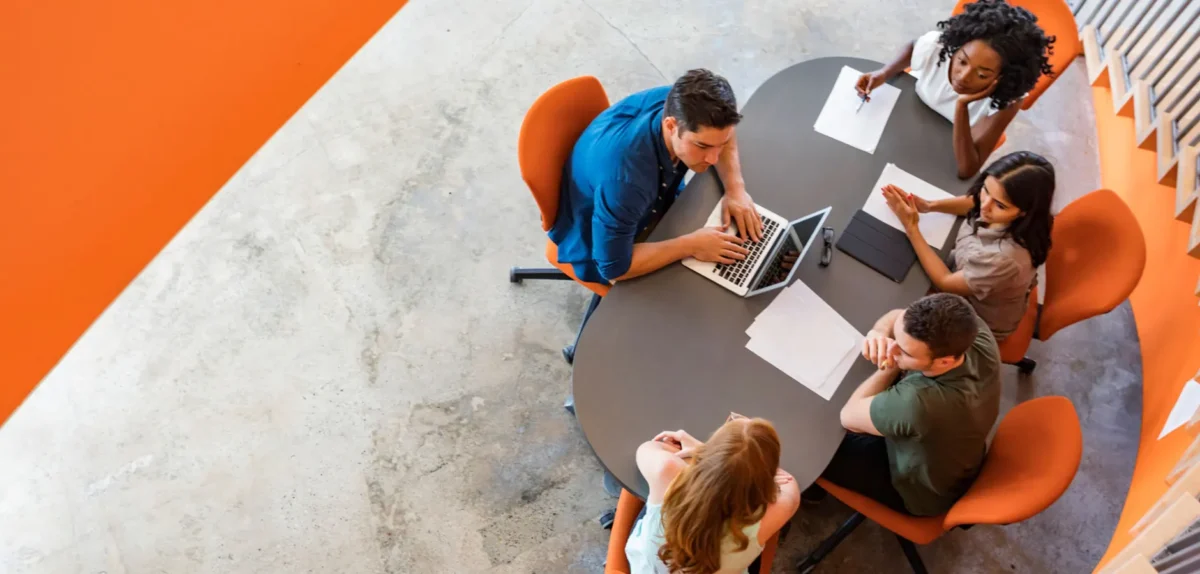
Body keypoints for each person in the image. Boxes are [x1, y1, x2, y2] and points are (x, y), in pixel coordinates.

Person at [550, 69, 764, 285]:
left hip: (645, 198)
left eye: (721, 144)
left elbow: (722, 132)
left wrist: (735, 189)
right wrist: (692, 245)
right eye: (702, 146)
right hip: (603, 238)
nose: (712, 158)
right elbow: (613, 267)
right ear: (671, 126)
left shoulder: (684, 105)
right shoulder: (626, 184)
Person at [817, 294, 1000, 517]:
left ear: (945, 361)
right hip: (954, 458)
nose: (893, 349)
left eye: (905, 351)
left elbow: (849, 416)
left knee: (819, 439)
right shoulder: (972, 332)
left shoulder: (920, 402)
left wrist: (890, 365)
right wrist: (879, 332)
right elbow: (897, 317)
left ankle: (813, 490)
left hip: (918, 491)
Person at [855, 0, 1056, 178]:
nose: (963, 76)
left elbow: (967, 170)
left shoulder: (1007, 100)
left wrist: (962, 106)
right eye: (962, 61)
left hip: (940, 149)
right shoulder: (938, 46)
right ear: (957, 47)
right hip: (905, 120)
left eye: (982, 74)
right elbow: (913, 46)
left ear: (1002, 78)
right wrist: (883, 73)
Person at [882, 151, 1054, 341]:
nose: (984, 206)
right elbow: (974, 203)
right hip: (964, 272)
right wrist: (930, 205)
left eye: (1000, 205)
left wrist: (911, 227)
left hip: (975, 320)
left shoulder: (1003, 259)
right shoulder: (1005, 209)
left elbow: (946, 282)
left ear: (1024, 212)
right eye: (986, 190)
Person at [627, 415, 801, 574]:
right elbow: (789, 483)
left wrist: (707, 454)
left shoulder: (668, 471)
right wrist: (756, 468)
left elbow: (648, 447)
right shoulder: (773, 512)